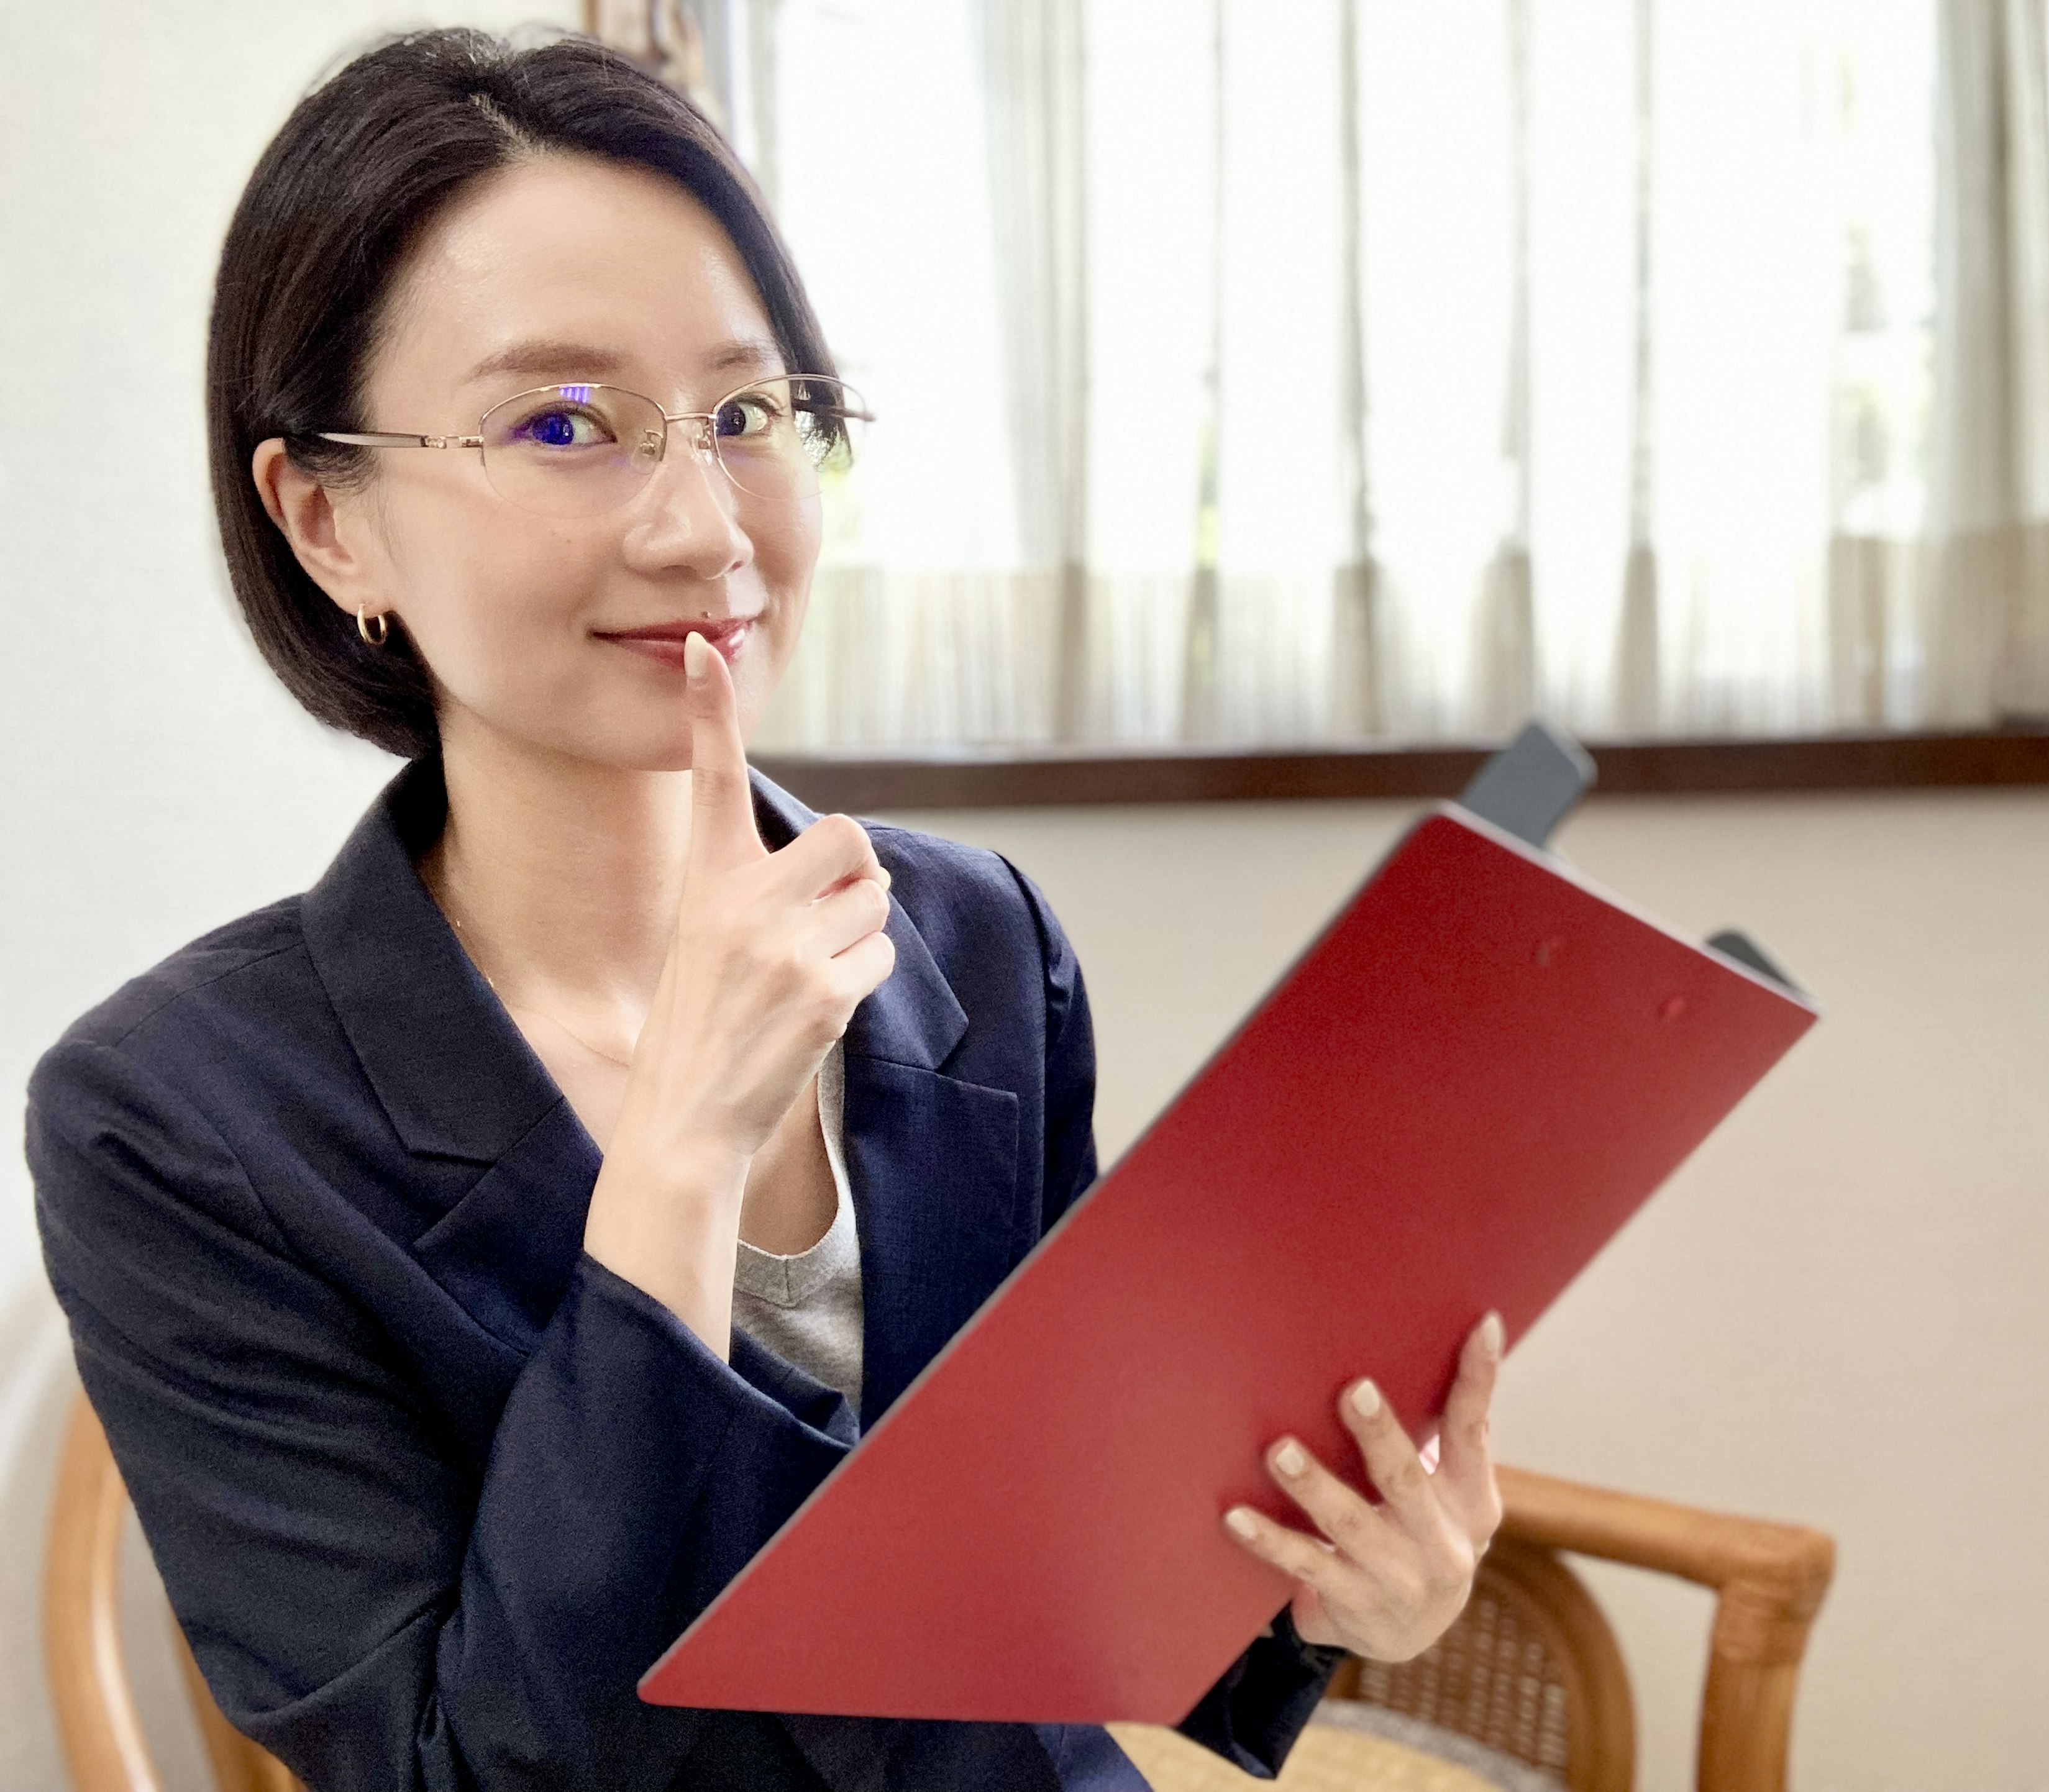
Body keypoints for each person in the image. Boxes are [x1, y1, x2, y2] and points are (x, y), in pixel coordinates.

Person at [27, 29, 1505, 1792]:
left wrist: (1351, 1595)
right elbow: (460, 1772)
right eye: (563, 424)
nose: (700, 524)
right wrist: (675, 1163)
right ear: (328, 519)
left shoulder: (972, 941)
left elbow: (1077, 1543)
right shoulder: (175, 1120)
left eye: (746, 415)